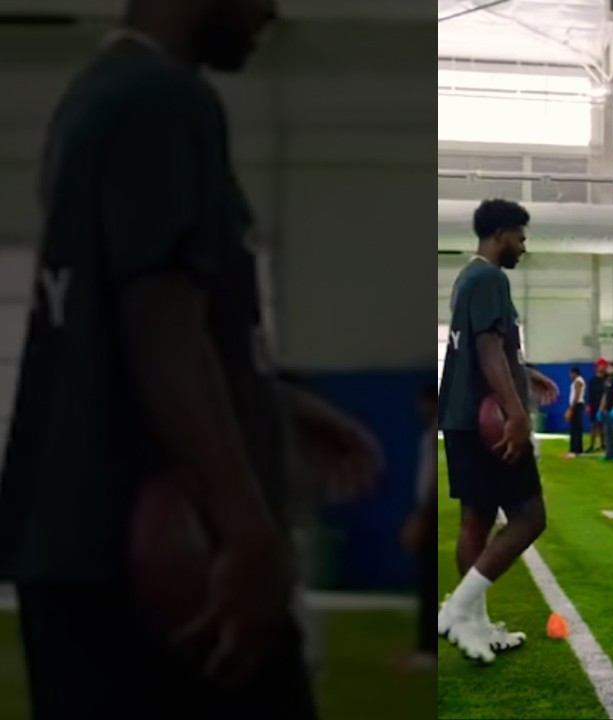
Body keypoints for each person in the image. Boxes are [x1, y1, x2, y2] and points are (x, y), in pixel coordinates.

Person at [0, 2, 382, 717]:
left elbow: (111, 320)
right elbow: (159, 321)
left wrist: (276, 404)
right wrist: (247, 530)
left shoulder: (89, 100)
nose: (270, 12)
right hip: (167, 564)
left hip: (83, 559)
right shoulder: (165, 100)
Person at [437, 199, 560, 665]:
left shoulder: (467, 278)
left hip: (462, 417)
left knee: (477, 520)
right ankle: (458, 610)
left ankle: (474, 625)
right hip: (486, 421)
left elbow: (484, 347)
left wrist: (526, 373)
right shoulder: (490, 277)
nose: (524, 246)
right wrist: (517, 411)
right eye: (521, 237)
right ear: (501, 233)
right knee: (530, 518)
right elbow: (488, 348)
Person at [398, 383, 439, 672]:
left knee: (428, 580)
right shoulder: (429, 433)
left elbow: (433, 480)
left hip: (430, 513)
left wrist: (423, 516)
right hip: (428, 511)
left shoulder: (432, 435)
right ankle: (426, 647)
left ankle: (428, 651)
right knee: (426, 580)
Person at [564, 366, 587, 457]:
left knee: (576, 428)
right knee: (575, 428)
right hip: (577, 405)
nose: (570, 375)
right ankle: (576, 449)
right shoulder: (577, 381)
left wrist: (571, 408)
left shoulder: (578, 381)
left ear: (574, 373)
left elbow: (577, 395)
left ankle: (576, 450)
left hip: (577, 405)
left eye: (571, 373)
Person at [585, 359, 607, 453]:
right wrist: (588, 405)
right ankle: (592, 445)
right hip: (594, 405)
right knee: (594, 425)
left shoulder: (607, 380)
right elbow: (589, 394)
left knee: (604, 425)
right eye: (601, 365)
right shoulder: (592, 381)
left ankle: (604, 444)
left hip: (605, 406)